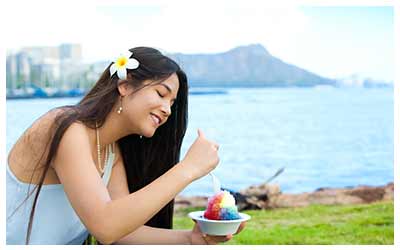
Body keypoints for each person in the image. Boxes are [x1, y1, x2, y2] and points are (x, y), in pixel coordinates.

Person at [6, 47, 245, 245]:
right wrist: (188, 169)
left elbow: (122, 233)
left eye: (172, 103)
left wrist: (190, 239)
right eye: (161, 93)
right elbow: (105, 226)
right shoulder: (65, 128)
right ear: (125, 85)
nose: (168, 110)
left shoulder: (111, 152)